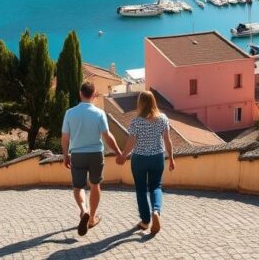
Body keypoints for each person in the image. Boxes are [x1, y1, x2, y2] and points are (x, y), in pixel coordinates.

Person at [61, 81, 123, 237]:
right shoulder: (99, 113)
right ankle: (92, 218)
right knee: (95, 185)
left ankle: (84, 211)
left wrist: (65, 155)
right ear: (94, 94)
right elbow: (107, 136)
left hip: (77, 154)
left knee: (78, 187)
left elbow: (65, 137)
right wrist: (118, 152)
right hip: (96, 153)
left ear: (80, 94)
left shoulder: (70, 113)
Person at [116, 91, 175, 235]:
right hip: (157, 158)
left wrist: (123, 156)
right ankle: (156, 210)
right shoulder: (163, 119)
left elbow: (131, 143)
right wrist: (172, 158)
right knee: (156, 186)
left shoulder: (136, 122)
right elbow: (168, 140)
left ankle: (145, 221)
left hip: (139, 159)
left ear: (140, 103)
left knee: (141, 190)